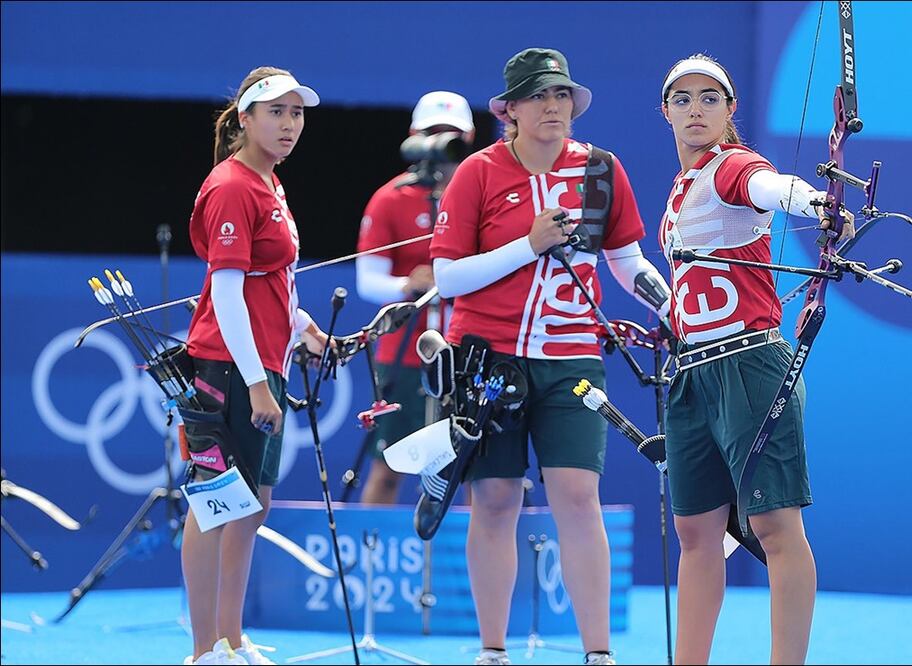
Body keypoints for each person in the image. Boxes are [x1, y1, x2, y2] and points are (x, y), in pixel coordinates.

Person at [431, 47, 670, 666]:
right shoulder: (477, 172)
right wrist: (528, 243)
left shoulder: (601, 169)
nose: (553, 105)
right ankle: (492, 650)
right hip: (487, 361)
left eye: (561, 94)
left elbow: (626, 262)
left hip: (573, 358)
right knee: (495, 499)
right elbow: (448, 277)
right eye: (538, 96)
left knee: (578, 496)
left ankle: (598, 654)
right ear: (509, 110)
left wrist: (675, 308)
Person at [657, 54, 853, 665]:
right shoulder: (681, 187)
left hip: (750, 367)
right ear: (666, 112)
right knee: (696, 534)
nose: (696, 109)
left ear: (730, 109)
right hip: (692, 372)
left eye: (709, 98)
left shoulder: (732, 166)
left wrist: (817, 202)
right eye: (683, 99)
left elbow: (771, 186)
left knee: (774, 527)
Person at [183, 66, 329, 666]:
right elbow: (225, 292)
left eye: (296, 113)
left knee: (252, 505)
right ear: (245, 118)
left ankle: (231, 640)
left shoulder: (271, 183)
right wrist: (254, 384)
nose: (289, 123)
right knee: (215, 502)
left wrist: (302, 326)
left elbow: (269, 280)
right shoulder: (232, 186)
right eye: (276, 112)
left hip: (265, 360)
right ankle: (203, 653)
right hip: (227, 365)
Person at [353, 91, 475, 504]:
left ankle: (478, 549)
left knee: (477, 474)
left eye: (451, 136)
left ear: (468, 138)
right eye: (432, 134)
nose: (441, 145)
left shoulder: (482, 195)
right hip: (404, 355)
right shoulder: (391, 197)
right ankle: (371, 549)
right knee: (388, 468)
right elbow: (367, 281)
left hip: (466, 351)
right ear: (413, 138)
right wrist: (407, 284)